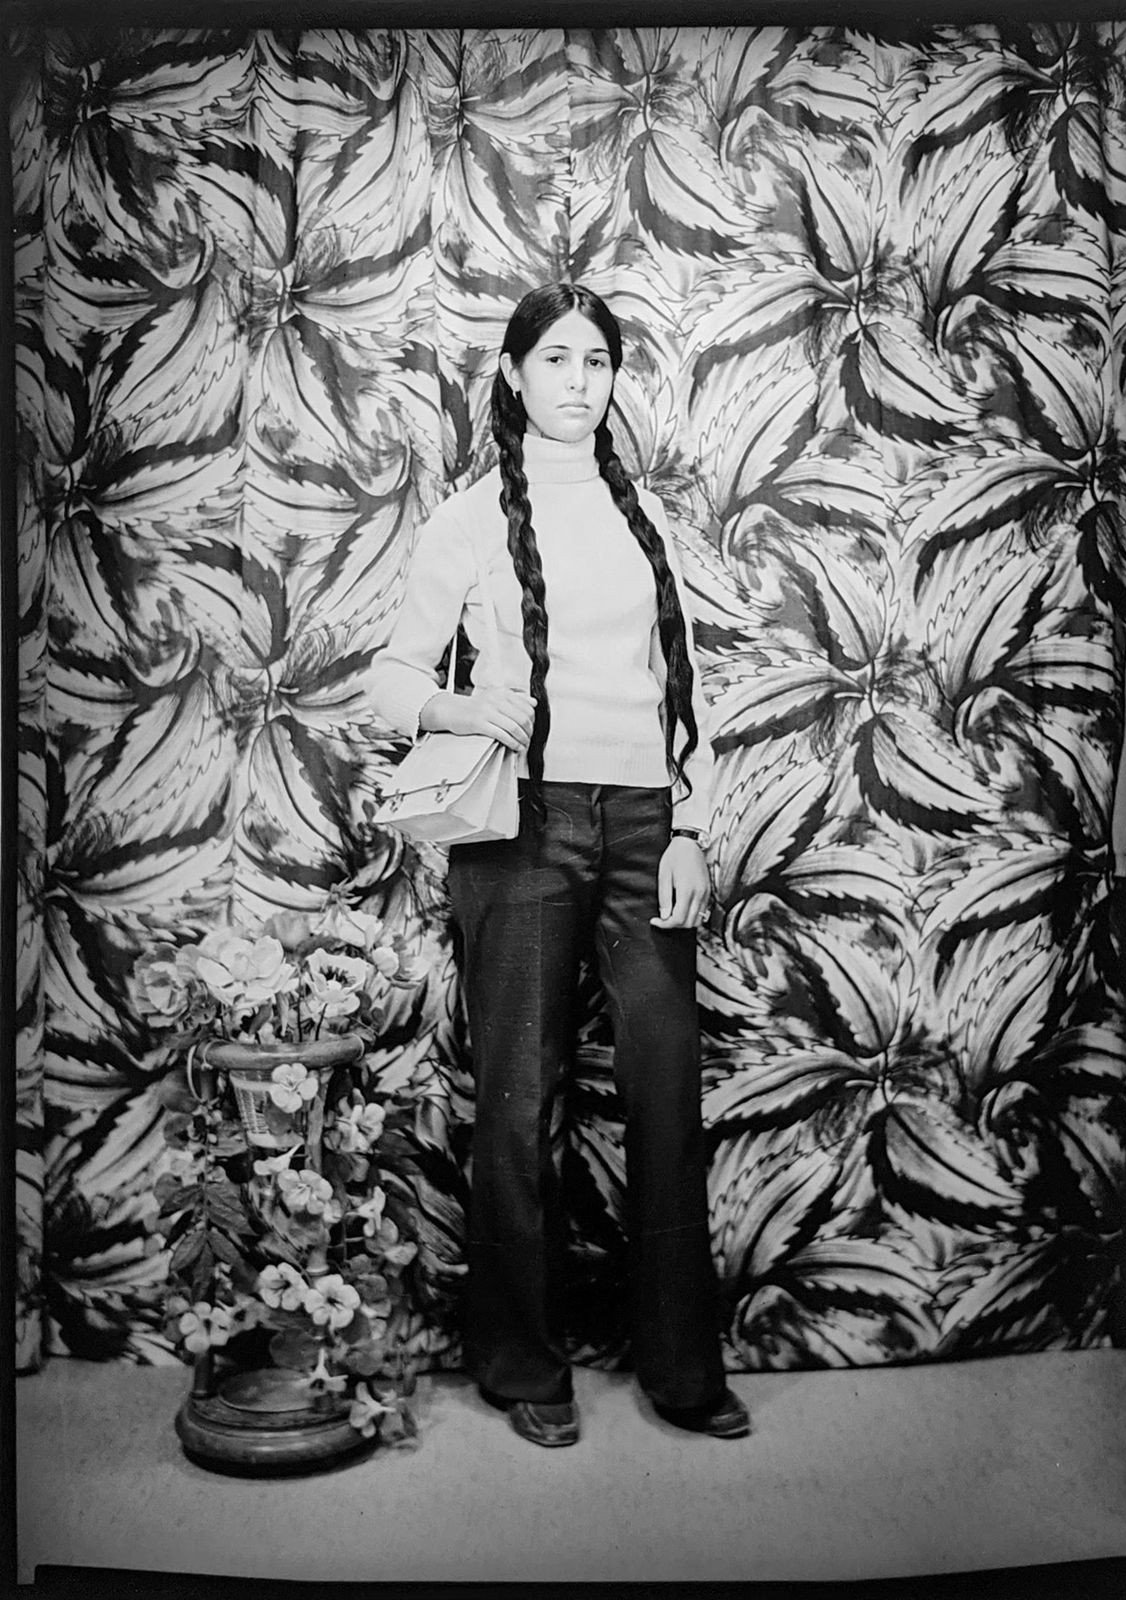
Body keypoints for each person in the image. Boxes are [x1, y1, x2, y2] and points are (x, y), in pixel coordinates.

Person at [369, 283, 750, 1448]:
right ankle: (519, 1363)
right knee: (516, 1101)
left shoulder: (645, 522)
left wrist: (689, 827)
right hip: (520, 830)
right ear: (513, 375)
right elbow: (385, 680)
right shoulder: (471, 516)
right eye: (556, 360)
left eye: (596, 362)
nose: (578, 381)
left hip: (642, 823)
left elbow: (682, 689)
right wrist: (464, 701)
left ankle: (682, 1368)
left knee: (666, 1082)